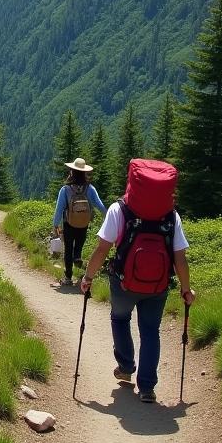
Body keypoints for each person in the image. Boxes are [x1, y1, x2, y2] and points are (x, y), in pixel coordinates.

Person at [80, 199, 196, 404]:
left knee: (120, 318)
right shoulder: (171, 215)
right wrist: (185, 289)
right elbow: (180, 257)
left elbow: (102, 249)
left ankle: (125, 367)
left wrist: (88, 277)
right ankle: (147, 388)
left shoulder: (119, 209)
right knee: (151, 331)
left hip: (123, 283)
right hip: (157, 286)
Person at [51, 157, 106, 286]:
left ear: (72, 172)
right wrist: (107, 219)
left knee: (68, 249)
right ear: (84, 173)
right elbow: (100, 206)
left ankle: (68, 278)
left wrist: (55, 225)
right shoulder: (90, 188)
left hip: (69, 223)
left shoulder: (66, 189)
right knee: (78, 246)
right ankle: (78, 258)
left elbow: (59, 209)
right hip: (84, 223)